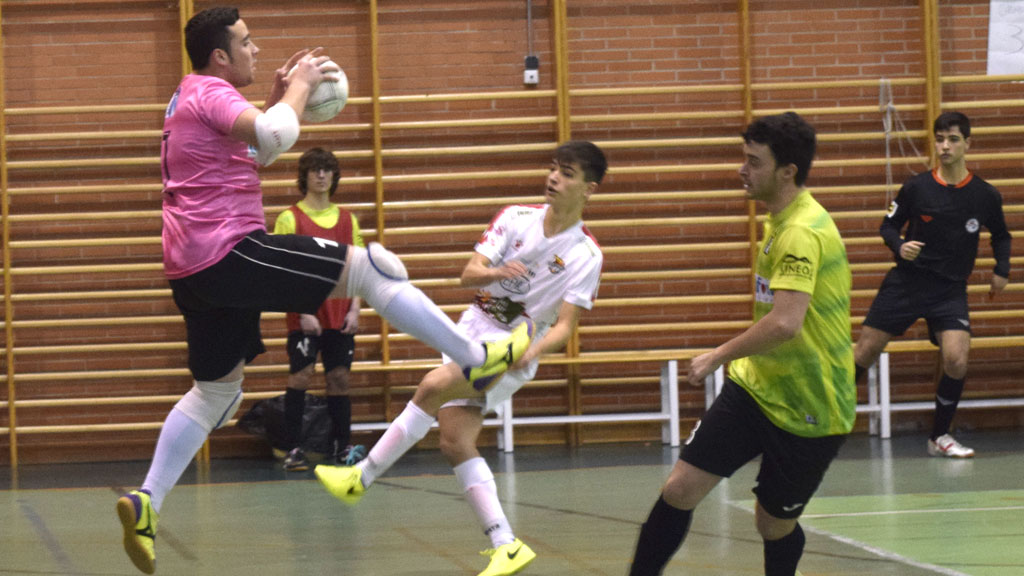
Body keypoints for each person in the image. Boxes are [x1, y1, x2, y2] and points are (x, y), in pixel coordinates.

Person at [115, 7, 530, 575]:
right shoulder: (206, 92)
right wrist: (302, 88)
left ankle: (146, 503)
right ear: (219, 56)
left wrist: (282, 100)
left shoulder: (194, 98)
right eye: (246, 41)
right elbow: (275, 135)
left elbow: (259, 149)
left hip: (193, 269)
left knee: (217, 392)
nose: (255, 50)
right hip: (228, 250)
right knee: (374, 269)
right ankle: (476, 358)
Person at [315, 140, 608, 576]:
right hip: (471, 327)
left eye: (567, 173)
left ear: (590, 189)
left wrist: (530, 352)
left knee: (433, 386)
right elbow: (467, 274)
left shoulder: (586, 255)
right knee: (454, 440)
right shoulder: (516, 218)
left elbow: (565, 326)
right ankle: (506, 545)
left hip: (512, 345)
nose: (553, 178)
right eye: (553, 168)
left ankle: (361, 477)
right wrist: (497, 273)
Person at [628, 112, 855, 576]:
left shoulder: (800, 231)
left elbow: (786, 323)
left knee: (772, 525)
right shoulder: (780, 219)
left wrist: (718, 355)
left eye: (753, 162)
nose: (741, 170)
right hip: (756, 389)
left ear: (787, 171)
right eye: (743, 158)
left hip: (811, 405)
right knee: (680, 489)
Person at [853, 111, 1012, 459]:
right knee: (864, 352)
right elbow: (888, 226)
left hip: (949, 290)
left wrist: (1002, 268)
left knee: (956, 359)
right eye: (940, 139)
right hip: (907, 284)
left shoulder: (985, 195)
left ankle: (939, 435)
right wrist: (900, 246)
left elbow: (1001, 235)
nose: (945, 146)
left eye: (953, 139)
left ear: (967, 144)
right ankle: (822, 422)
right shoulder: (916, 187)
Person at [274, 147, 366, 471]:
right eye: (315, 169)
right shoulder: (289, 218)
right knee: (301, 376)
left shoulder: (347, 219)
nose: (321, 175)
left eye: (327, 170)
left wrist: (355, 310)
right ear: (305, 176)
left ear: (334, 176)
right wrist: (302, 311)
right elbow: (281, 272)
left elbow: (358, 269)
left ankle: (342, 447)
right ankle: (294, 449)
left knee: (339, 379)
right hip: (305, 315)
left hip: (340, 313)